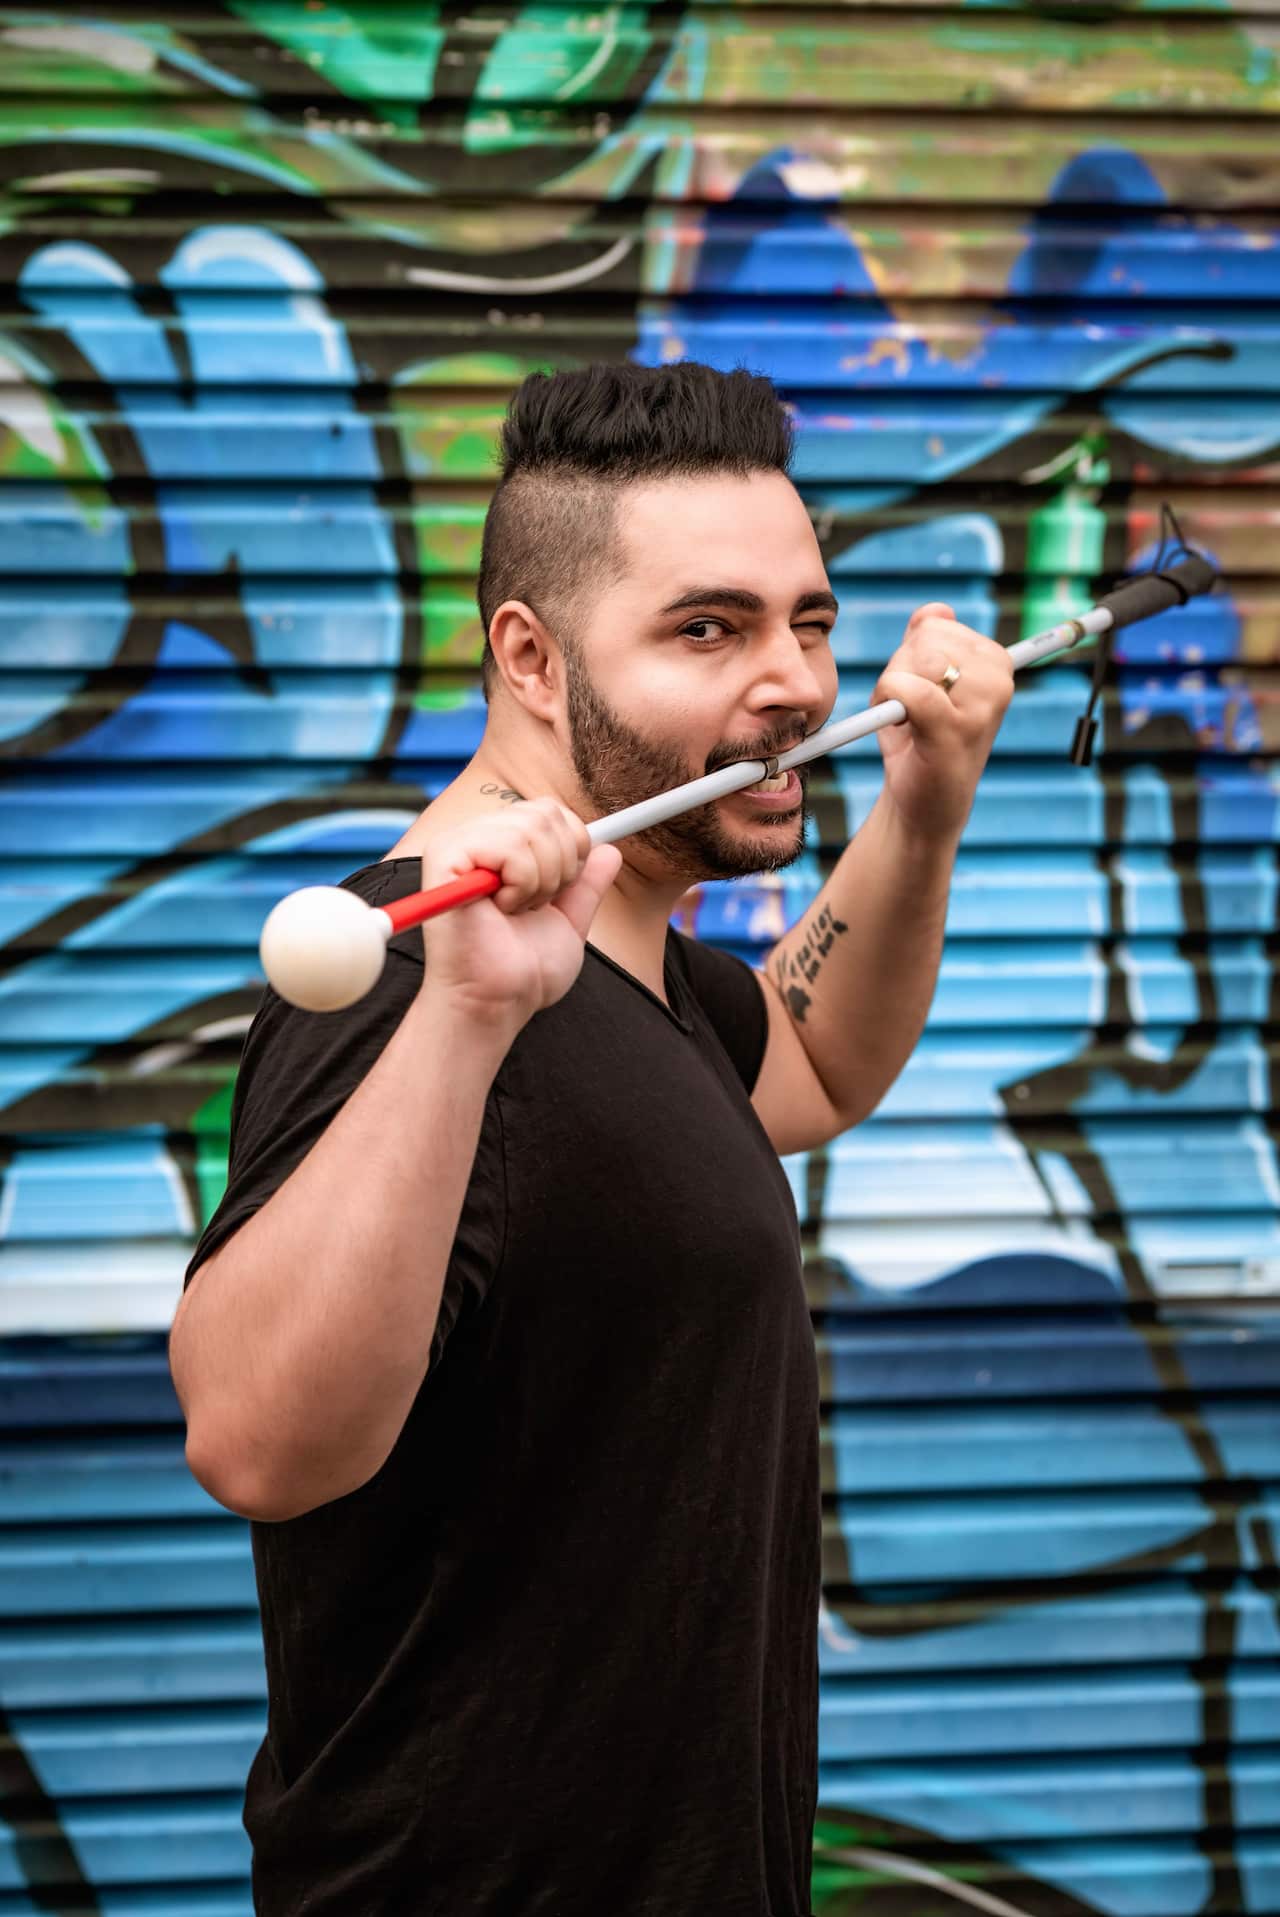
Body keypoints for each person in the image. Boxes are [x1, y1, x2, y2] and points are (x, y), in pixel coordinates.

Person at [171, 360, 1014, 1916]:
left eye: (809, 623)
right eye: (711, 629)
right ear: (532, 659)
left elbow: (815, 1059)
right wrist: (467, 1018)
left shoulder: (634, 962)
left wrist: (927, 806)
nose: (798, 684)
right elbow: (252, 1437)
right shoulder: (414, 973)